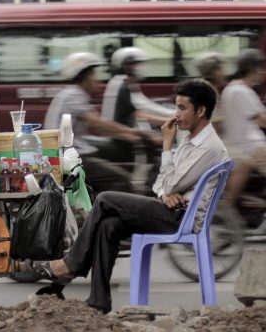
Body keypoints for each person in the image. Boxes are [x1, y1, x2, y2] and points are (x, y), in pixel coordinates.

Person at [34, 79, 228, 313]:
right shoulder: (190, 140)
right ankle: (99, 301)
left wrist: (166, 145)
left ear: (201, 111)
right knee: (108, 224)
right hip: (172, 208)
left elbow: (171, 181)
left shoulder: (207, 147)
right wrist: (164, 194)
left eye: (182, 108)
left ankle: (70, 264)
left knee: (105, 199)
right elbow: (161, 183)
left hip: (182, 218)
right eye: (176, 107)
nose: (176, 114)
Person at [44, 52, 143, 193]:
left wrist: (127, 136)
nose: (97, 80)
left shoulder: (70, 93)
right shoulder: (74, 95)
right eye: (93, 74)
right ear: (85, 76)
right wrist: (133, 132)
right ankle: (105, 212)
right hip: (69, 157)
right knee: (121, 180)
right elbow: (98, 122)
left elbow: (100, 129)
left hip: (67, 154)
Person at [220, 49, 266, 210]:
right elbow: (261, 120)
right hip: (251, 145)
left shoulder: (231, 88)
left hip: (244, 143)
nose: (263, 72)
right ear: (252, 69)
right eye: (261, 68)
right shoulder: (242, 91)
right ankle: (229, 207)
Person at [102, 47, 172, 128]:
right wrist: (172, 117)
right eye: (136, 64)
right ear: (126, 66)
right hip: (120, 135)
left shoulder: (124, 83)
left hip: (125, 131)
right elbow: (140, 112)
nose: (140, 67)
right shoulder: (121, 85)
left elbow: (144, 105)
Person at [193, 52, 227, 134]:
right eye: (220, 69)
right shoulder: (208, 92)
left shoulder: (201, 86)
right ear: (213, 72)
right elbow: (216, 126)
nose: (224, 73)